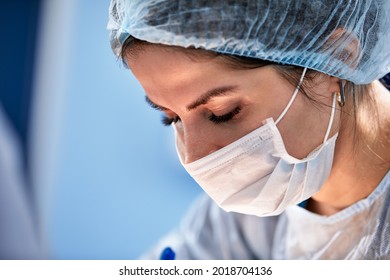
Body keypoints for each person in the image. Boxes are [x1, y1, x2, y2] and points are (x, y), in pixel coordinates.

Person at [107, 0, 390, 259]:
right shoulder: (252, 214)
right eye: (172, 118)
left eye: (223, 113)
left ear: (337, 59)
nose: (194, 158)